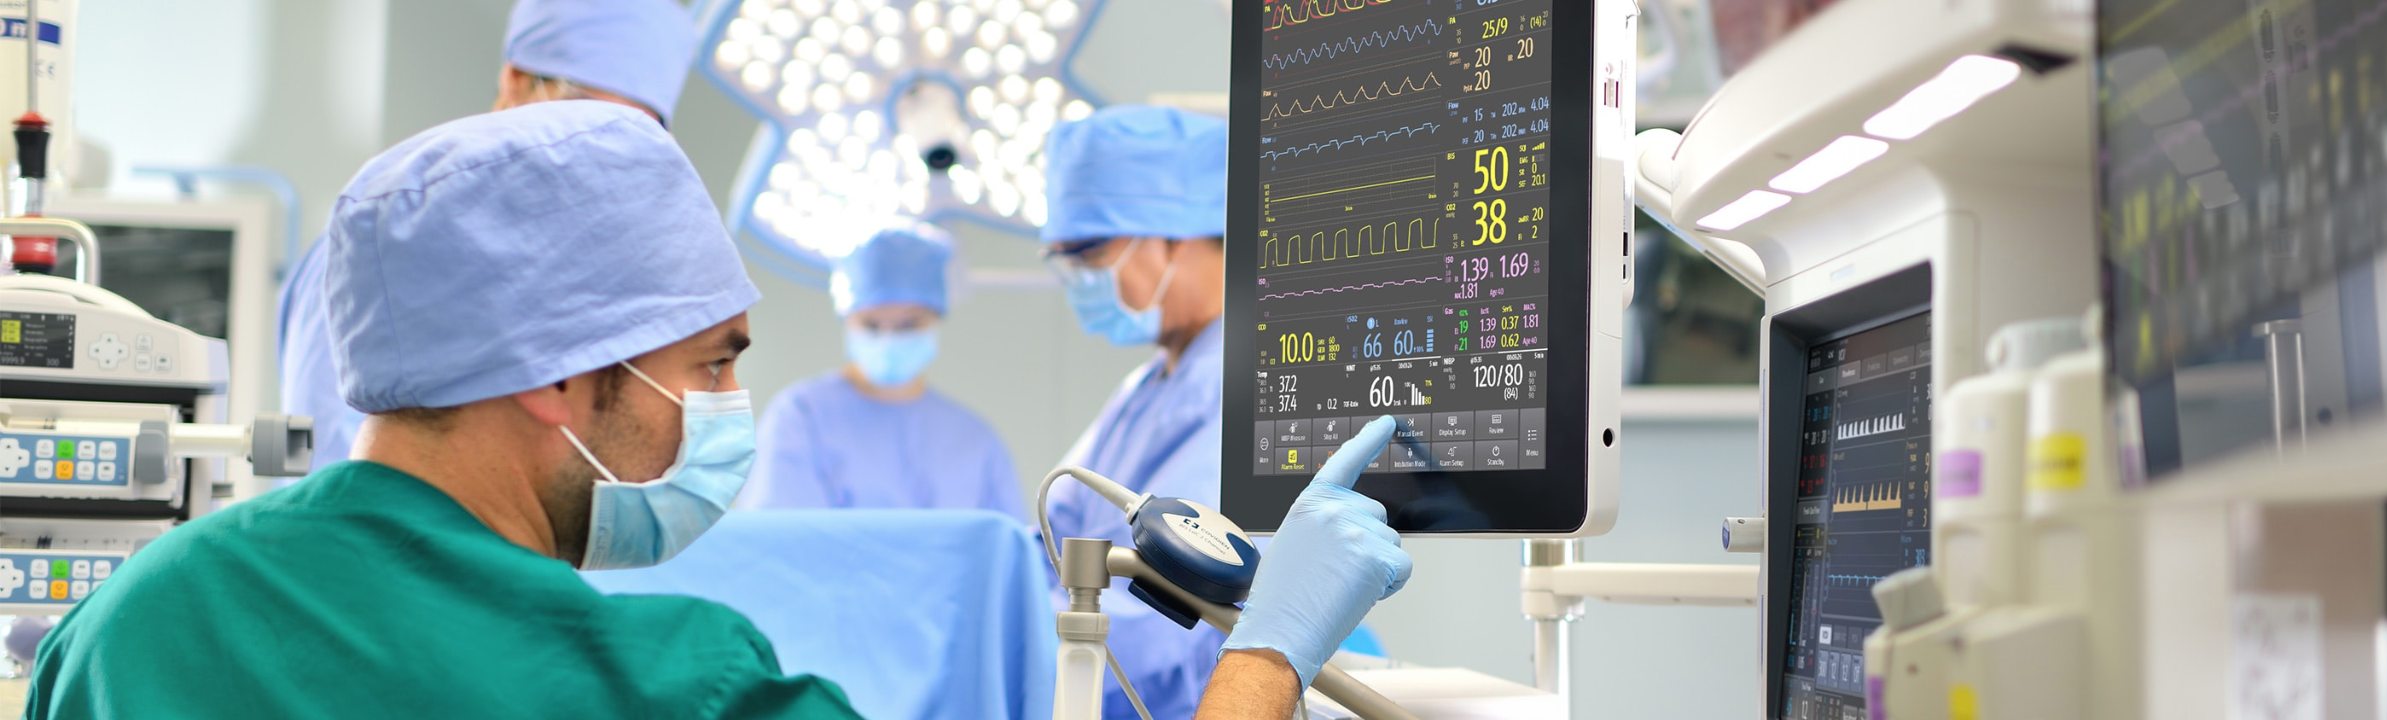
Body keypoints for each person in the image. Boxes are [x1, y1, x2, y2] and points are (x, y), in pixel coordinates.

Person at [25, 101, 1410, 719]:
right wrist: (1266, 658)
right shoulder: (668, 686)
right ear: (557, 376)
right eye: (708, 364)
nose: (727, 412)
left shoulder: (126, 628)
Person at [277, 0, 694, 473]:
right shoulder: (388, 242)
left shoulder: (598, 274)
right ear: (515, 83)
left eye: (633, 135)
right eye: (582, 114)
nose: (597, 150)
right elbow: (330, 466)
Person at [1036, 105, 1236, 719]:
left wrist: (1019, 643)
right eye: (1062, 259)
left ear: (1177, 234)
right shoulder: (1143, 390)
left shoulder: (1246, 388)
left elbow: (1177, 615)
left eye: (1088, 253)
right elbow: (1050, 537)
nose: (1076, 278)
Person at [736, 222, 1026, 520]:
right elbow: (780, 534)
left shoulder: (974, 439)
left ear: (936, 318)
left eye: (908, 324)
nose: (888, 339)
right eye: (871, 325)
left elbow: (1008, 543)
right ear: (847, 320)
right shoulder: (802, 416)